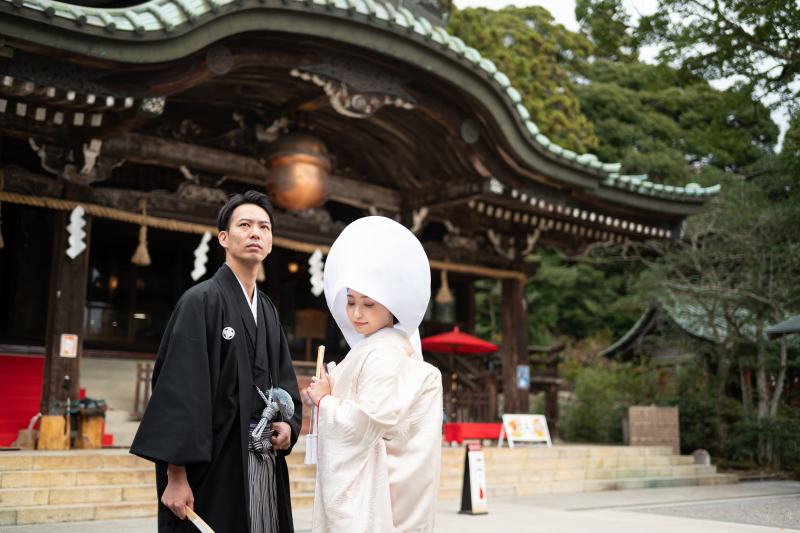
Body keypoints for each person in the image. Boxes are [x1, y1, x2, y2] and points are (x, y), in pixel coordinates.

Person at [130, 191, 302, 533]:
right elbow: (179, 393)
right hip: (214, 463)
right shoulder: (200, 302)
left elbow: (283, 381)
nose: (256, 233)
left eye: (264, 227)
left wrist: (288, 428)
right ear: (224, 237)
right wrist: (175, 475)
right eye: (245, 225)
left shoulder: (266, 310)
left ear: (270, 242)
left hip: (262, 457)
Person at [307, 216, 444, 533]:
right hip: (363, 479)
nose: (356, 313)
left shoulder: (384, 352)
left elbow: (369, 420)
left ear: (392, 306)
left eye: (369, 303)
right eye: (351, 302)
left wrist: (325, 401)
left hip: (366, 487)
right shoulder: (375, 348)